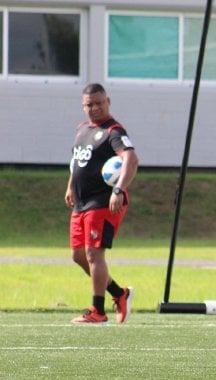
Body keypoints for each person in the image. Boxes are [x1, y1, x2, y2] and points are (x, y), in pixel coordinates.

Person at [66, 83, 138, 324]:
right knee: (78, 256)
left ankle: (97, 310)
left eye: (99, 103)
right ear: (83, 106)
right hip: (81, 202)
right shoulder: (82, 129)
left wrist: (119, 189)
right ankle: (119, 293)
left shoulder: (113, 131)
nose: (94, 108)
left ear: (108, 101)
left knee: (94, 254)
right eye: (89, 104)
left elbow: (130, 159)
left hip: (103, 201)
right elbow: (77, 162)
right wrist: (70, 185)